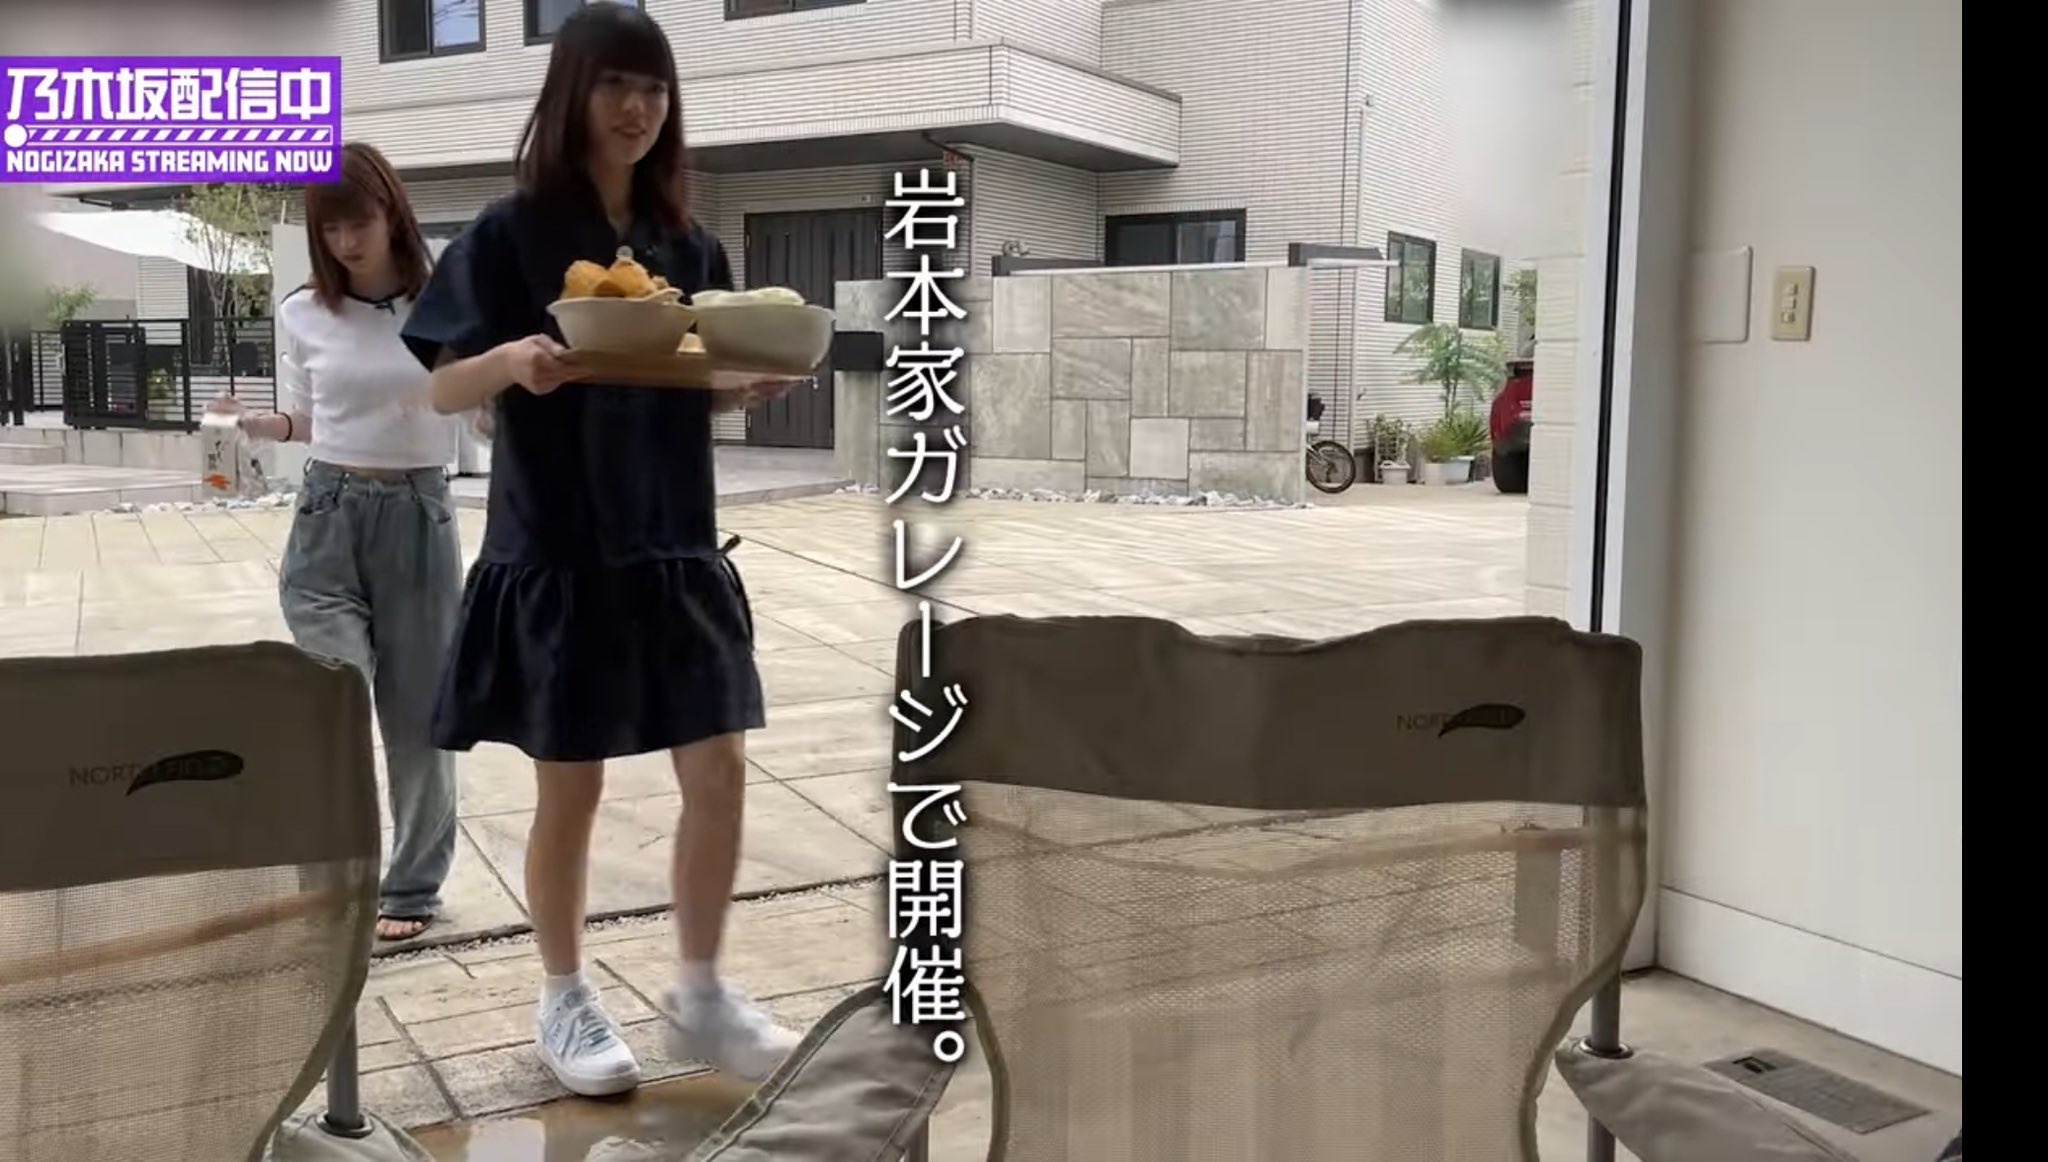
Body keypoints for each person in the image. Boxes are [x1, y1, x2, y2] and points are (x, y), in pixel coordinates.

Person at [399, 2, 799, 1097]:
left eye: (654, 88)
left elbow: (680, 378)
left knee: (719, 770)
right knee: (568, 789)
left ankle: (701, 992)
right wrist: (512, 362)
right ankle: (563, 995)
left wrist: (737, 389)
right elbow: (442, 385)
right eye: (616, 84)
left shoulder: (689, 245)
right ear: (571, 94)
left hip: (675, 544)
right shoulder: (509, 232)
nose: (636, 107)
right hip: (559, 549)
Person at [216, 141, 464, 943]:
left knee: (420, 718)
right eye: (331, 227)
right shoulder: (303, 310)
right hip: (328, 515)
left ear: (393, 213)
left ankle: (412, 887)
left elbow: (481, 400)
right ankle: (328, 881)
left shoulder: (444, 299)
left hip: (419, 516)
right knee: (332, 703)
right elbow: (311, 418)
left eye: (359, 221)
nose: (347, 241)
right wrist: (260, 425)